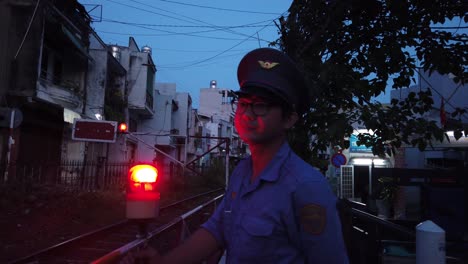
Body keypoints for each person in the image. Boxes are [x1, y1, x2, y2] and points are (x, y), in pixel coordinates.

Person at [131, 48, 349, 263]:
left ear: (289, 119)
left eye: (261, 106)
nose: (247, 113)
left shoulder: (306, 186)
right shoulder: (242, 172)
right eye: (244, 103)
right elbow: (217, 230)